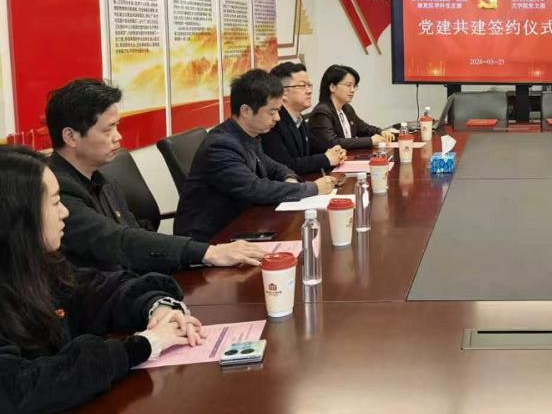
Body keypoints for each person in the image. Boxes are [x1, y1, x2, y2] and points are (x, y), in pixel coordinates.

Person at [0, 146, 206, 414]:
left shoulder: (36, 265)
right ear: (18, 216)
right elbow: (18, 390)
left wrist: (157, 305)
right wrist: (138, 347)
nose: (65, 212)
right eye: (55, 202)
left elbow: (98, 290)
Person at [46, 79, 267, 273]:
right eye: (108, 130)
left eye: (117, 127)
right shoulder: (55, 191)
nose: (118, 137)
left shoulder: (101, 178)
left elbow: (134, 232)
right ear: (71, 137)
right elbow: (117, 240)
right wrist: (208, 253)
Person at [174, 70, 336, 242]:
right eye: (272, 112)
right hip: (210, 239)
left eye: (278, 111)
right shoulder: (221, 145)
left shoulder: (248, 135)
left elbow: (274, 166)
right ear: (246, 110)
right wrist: (312, 188)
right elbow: (255, 188)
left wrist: (288, 178)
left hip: (242, 223)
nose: (277, 118)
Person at [262, 62, 346, 176]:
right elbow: (285, 165)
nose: (309, 91)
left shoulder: (297, 116)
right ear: (283, 92)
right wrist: (326, 159)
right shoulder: (273, 122)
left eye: (309, 85)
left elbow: (314, 146)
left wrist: (335, 151)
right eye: (302, 86)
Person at [308, 65, 394, 152]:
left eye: (354, 86)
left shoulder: (346, 108)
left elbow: (362, 128)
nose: (352, 90)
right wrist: (370, 141)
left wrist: (380, 132)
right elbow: (332, 143)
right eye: (348, 85)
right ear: (333, 87)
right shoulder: (322, 113)